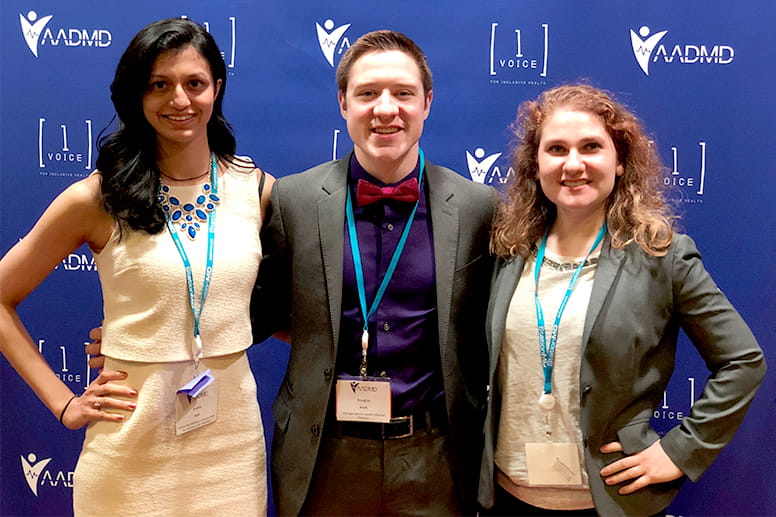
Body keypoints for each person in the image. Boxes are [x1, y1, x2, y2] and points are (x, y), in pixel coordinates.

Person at [0, 18, 272, 516]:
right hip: (130, 445)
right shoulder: (97, 197)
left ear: (217, 88)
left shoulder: (257, 188)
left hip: (231, 448)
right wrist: (64, 404)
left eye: (195, 84)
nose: (180, 101)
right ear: (137, 96)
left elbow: (289, 308)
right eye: (159, 85)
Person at [477, 84, 766, 516]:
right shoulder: (507, 250)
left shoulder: (662, 257)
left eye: (591, 147)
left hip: (610, 501)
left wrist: (680, 452)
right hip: (507, 496)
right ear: (535, 166)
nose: (573, 164)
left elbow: (743, 362)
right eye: (556, 149)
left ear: (620, 160)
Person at [251, 30, 495, 515]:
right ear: (343, 103)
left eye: (403, 93)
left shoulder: (478, 207)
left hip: (438, 457)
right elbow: (254, 313)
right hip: (322, 455)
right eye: (367, 93)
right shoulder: (292, 201)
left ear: (427, 102)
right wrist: (153, 336)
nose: (386, 109)